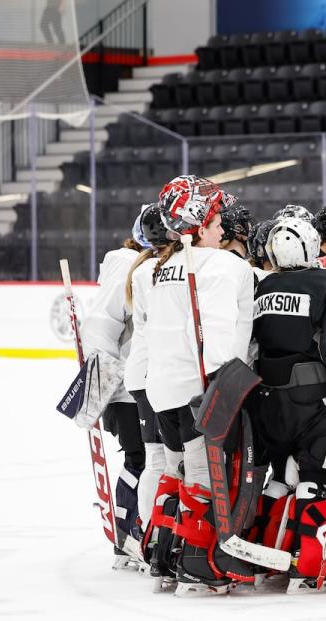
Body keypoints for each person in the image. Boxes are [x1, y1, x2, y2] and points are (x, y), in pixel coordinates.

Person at [143, 175, 255, 596]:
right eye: (216, 218)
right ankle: (198, 564)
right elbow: (222, 335)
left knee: (176, 474)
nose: (222, 225)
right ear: (197, 221)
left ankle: (164, 557)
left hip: (164, 390)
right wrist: (225, 390)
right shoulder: (224, 265)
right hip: (200, 391)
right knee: (205, 480)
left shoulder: (164, 266)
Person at [250, 215, 326, 592]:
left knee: (282, 477)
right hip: (315, 401)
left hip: (268, 401)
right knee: (318, 477)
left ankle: (264, 554)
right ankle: (311, 564)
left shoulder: (262, 288)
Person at [80, 208, 149, 569]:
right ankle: (126, 533)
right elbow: (101, 327)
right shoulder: (127, 265)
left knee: (148, 459)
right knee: (140, 459)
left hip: (142, 386)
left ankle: (135, 530)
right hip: (128, 390)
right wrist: (105, 384)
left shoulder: (146, 265)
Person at [123, 204, 172, 578]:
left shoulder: (138, 270)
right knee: (164, 461)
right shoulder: (161, 272)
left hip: (143, 376)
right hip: (157, 374)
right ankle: (155, 536)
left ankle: (150, 536)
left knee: (157, 459)